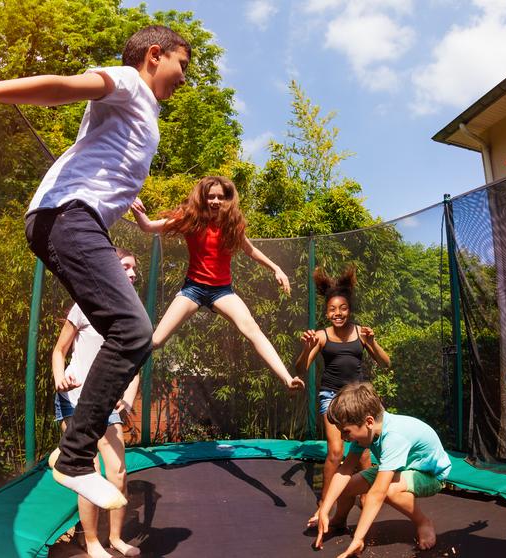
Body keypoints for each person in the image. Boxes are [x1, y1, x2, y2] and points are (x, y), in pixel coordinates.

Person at [0, 25, 193, 509]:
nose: (185, 76)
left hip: (73, 219)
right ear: (154, 55)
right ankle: (75, 457)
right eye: (182, 64)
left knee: (127, 333)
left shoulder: (142, 113)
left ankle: (77, 452)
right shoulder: (126, 81)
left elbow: (104, 159)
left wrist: (132, 205)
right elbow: (59, 85)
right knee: (133, 329)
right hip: (67, 217)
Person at [129, 176, 305, 391]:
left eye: (220, 197)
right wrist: (134, 206)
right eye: (210, 196)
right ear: (202, 198)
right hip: (192, 288)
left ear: (228, 200)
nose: (215, 201)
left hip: (221, 291)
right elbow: (147, 226)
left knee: (252, 329)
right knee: (155, 341)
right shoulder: (189, 219)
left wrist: (276, 268)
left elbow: (251, 250)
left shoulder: (232, 225)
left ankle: (287, 379)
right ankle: (120, 376)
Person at [51, 247, 141, 558]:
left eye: (134, 270)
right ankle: (91, 542)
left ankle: (115, 538)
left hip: (106, 402)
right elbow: (59, 350)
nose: (132, 274)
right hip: (74, 398)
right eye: (126, 267)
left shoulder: (130, 313)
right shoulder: (85, 306)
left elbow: (134, 366)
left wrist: (127, 400)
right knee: (87, 470)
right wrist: (59, 377)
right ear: (110, 269)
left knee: (118, 472)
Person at [295, 266, 390, 527]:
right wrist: (306, 348)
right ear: (326, 312)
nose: (338, 313)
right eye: (332, 309)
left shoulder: (361, 333)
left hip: (357, 400)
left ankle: (363, 495)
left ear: (349, 309)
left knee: (364, 457)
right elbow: (301, 368)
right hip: (331, 396)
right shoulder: (321, 337)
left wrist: (374, 341)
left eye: (343, 308)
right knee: (336, 453)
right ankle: (326, 501)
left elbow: (386, 363)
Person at [313, 383, 451, 556]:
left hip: (431, 475)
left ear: (369, 421)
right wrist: (325, 509)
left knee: (389, 491)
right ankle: (339, 521)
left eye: (346, 432)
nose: (343, 437)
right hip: (402, 467)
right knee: (346, 487)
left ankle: (423, 522)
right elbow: (344, 471)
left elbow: (377, 493)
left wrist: (358, 539)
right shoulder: (367, 430)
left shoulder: (394, 437)